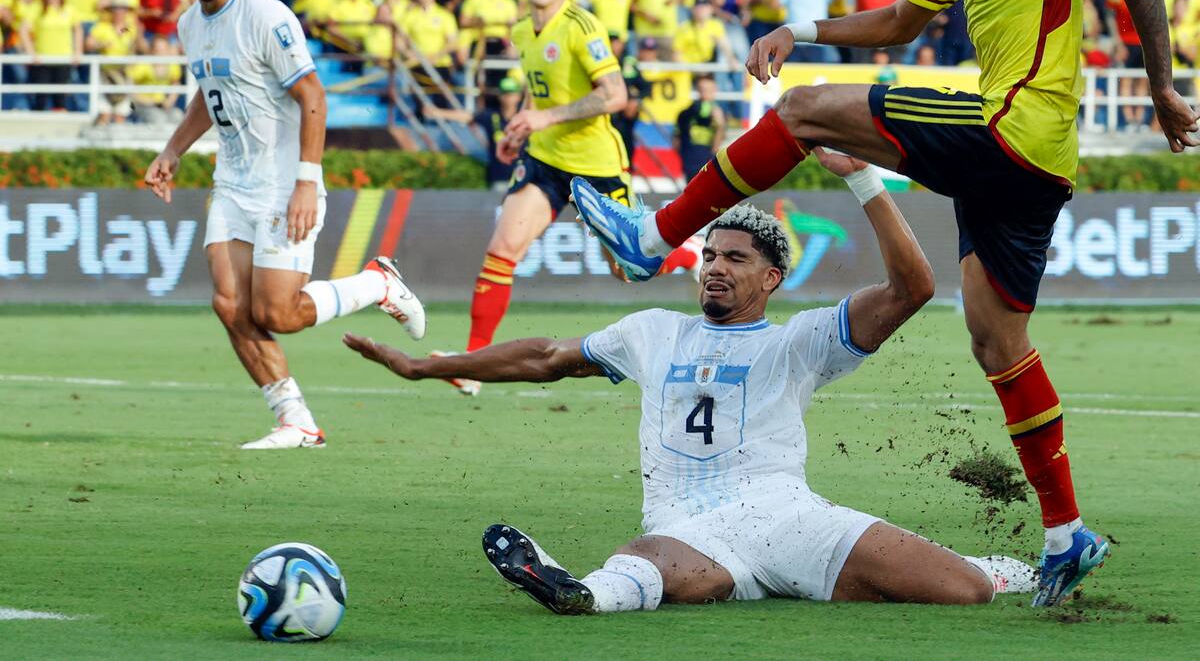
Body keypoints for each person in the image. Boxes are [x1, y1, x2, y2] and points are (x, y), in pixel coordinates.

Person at [573, 0, 1200, 607]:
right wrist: (802, 32)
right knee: (996, 340)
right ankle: (1065, 534)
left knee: (801, 109)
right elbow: (902, 21)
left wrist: (1161, 88)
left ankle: (653, 239)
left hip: (1011, 132)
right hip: (1030, 170)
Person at [344, 173, 1036, 614]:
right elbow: (546, 356)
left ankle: (998, 569)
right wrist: (426, 367)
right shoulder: (653, 331)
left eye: (735, 258)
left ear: (771, 279)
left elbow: (912, 288)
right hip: (686, 523)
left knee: (965, 591)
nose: (714, 268)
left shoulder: (800, 341)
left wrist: (860, 177)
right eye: (708, 256)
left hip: (786, 514)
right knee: (648, 562)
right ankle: (579, 592)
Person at [143, 0, 427, 450]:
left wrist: (305, 182)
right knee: (229, 304)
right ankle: (295, 420)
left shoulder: (266, 16)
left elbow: (313, 95)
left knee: (277, 312)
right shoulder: (189, 24)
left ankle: (378, 284)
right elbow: (210, 90)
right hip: (233, 182)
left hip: (282, 182)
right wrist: (173, 149)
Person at [463, 0, 629, 370]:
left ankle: (686, 251)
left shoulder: (582, 26)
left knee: (629, 268)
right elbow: (539, 93)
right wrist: (522, 125)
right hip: (544, 161)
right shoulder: (522, 30)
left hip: (596, 166)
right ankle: (471, 364)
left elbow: (615, 95)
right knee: (502, 250)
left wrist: (545, 117)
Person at [675, 74, 726, 180]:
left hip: (709, 162)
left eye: (709, 90)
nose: (705, 93)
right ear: (697, 90)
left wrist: (720, 124)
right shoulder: (686, 113)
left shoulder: (721, 114)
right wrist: (685, 156)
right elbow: (676, 139)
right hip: (690, 161)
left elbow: (718, 145)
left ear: (715, 90)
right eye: (702, 90)